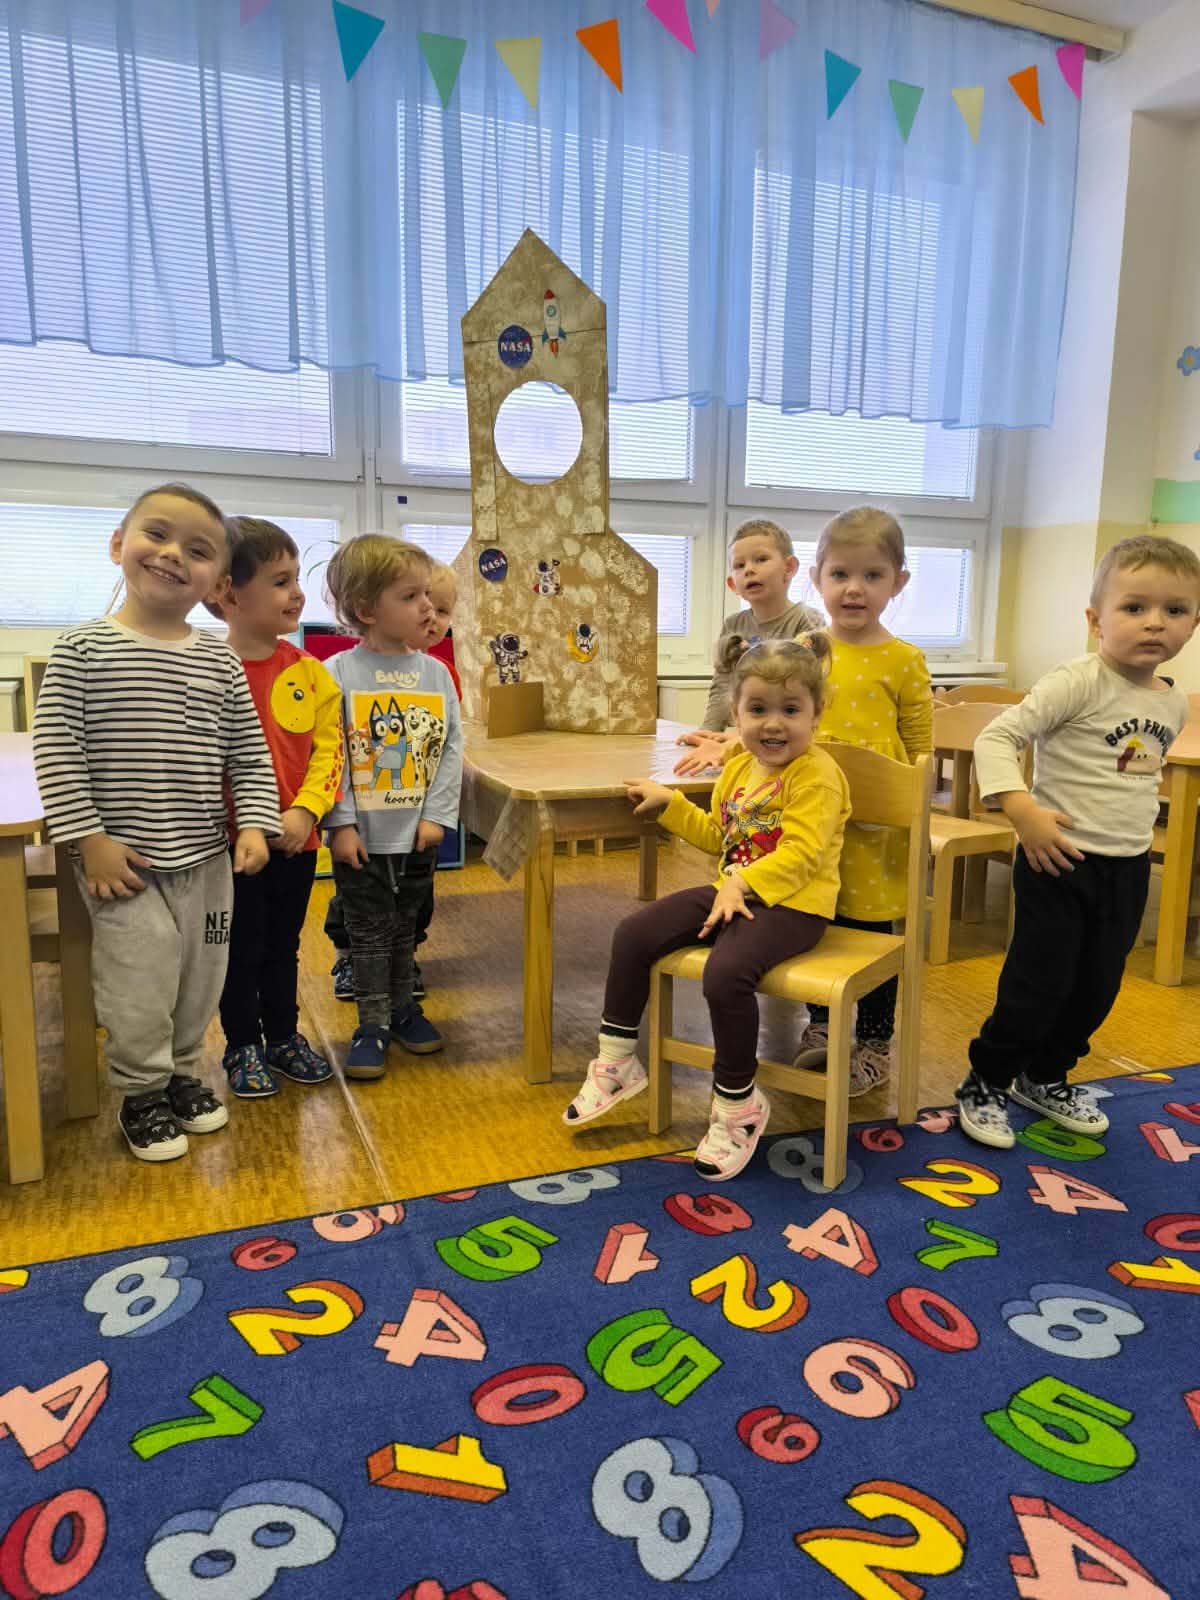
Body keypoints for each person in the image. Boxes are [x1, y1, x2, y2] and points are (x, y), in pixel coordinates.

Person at [32, 483, 279, 1162]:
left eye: (197, 550)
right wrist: (89, 840)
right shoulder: (83, 649)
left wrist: (254, 824)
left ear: (217, 582)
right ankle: (141, 1091)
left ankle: (183, 1073)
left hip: (205, 859)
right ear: (119, 544)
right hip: (124, 865)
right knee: (139, 981)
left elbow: (247, 751)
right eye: (157, 534)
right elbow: (56, 750)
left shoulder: (218, 658)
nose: (172, 555)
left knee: (201, 975)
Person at [563, 635, 850, 1182]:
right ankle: (617, 1062)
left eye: (791, 710)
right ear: (735, 713)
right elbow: (722, 837)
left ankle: (739, 1105)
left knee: (725, 973)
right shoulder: (738, 769)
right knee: (633, 933)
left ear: (817, 713)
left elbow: (803, 854)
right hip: (733, 892)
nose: (773, 724)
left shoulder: (817, 774)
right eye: (758, 709)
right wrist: (672, 805)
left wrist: (741, 884)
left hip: (795, 907)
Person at [955, 534, 1200, 1149]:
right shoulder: (1077, 681)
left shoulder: (1172, 702)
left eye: (1175, 610)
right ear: (1095, 620)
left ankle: (1044, 1076)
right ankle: (986, 1079)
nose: (1155, 623)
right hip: (1057, 858)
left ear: (1194, 624)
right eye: (1134, 607)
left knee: (1098, 983)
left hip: (1126, 866)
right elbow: (996, 738)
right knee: (1038, 981)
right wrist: (1022, 812)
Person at [790, 505, 932, 1095]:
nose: (854, 588)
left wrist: (915, 813)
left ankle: (874, 1042)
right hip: (813, 819)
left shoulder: (904, 659)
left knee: (872, 933)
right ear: (817, 579)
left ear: (898, 582)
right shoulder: (806, 649)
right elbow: (783, 717)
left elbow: (920, 747)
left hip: (877, 830)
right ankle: (823, 1025)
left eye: (872, 575)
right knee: (817, 920)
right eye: (840, 574)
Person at [207, 517, 344, 1097]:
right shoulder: (207, 671)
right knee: (238, 948)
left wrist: (306, 812)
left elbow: (330, 751)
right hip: (227, 849)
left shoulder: (310, 674)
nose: (297, 594)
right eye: (281, 581)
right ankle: (241, 1045)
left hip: (296, 841)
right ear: (229, 594)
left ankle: (283, 1036)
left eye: (296, 579)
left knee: (283, 946)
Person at [322, 536, 463, 1079]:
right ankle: (371, 1024)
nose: (428, 607)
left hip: (417, 834)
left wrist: (436, 817)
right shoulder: (338, 673)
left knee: (407, 926)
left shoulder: (436, 674)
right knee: (368, 932)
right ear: (366, 610)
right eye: (410, 596)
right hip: (362, 837)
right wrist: (341, 823)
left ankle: (404, 1010)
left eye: (427, 594)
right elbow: (330, 753)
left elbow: (450, 750)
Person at [674, 519, 823, 777]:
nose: (749, 570)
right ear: (732, 584)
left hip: (790, 747)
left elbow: (814, 694)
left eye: (761, 559)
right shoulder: (733, 625)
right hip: (749, 742)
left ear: (789, 568)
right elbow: (723, 683)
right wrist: (709, 731)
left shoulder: (807, 621)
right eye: (739, 565)